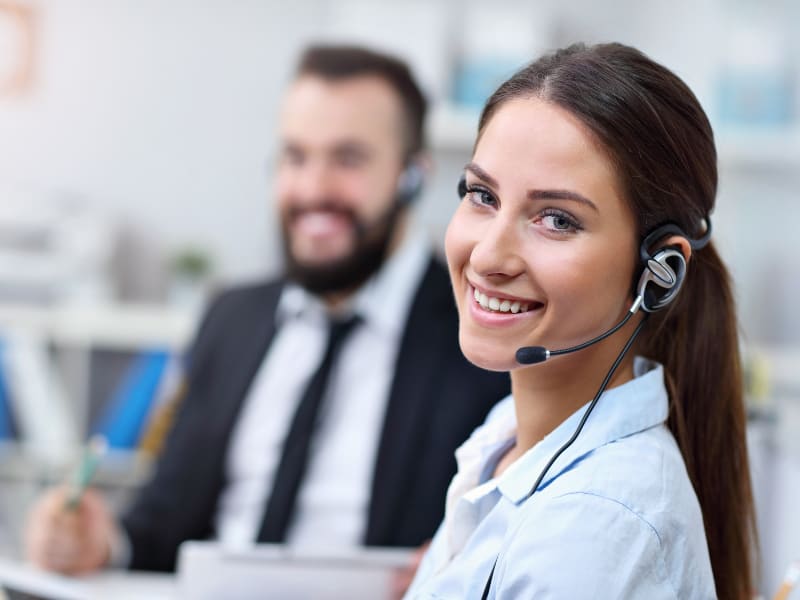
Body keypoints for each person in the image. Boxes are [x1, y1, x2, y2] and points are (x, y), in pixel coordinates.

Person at [25, 44, 510, 574]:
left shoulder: (480, 333)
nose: (311, 189)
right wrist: (99, 544)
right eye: (295, 157)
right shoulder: (231, 319)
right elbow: (164, 526)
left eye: (348, 159)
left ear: (412, 176)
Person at [405, 42, 756, 599]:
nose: (489, 257)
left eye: (557, 219)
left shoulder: (597, 528)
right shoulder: (509, 441)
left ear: (659, 271)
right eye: (482, 195)